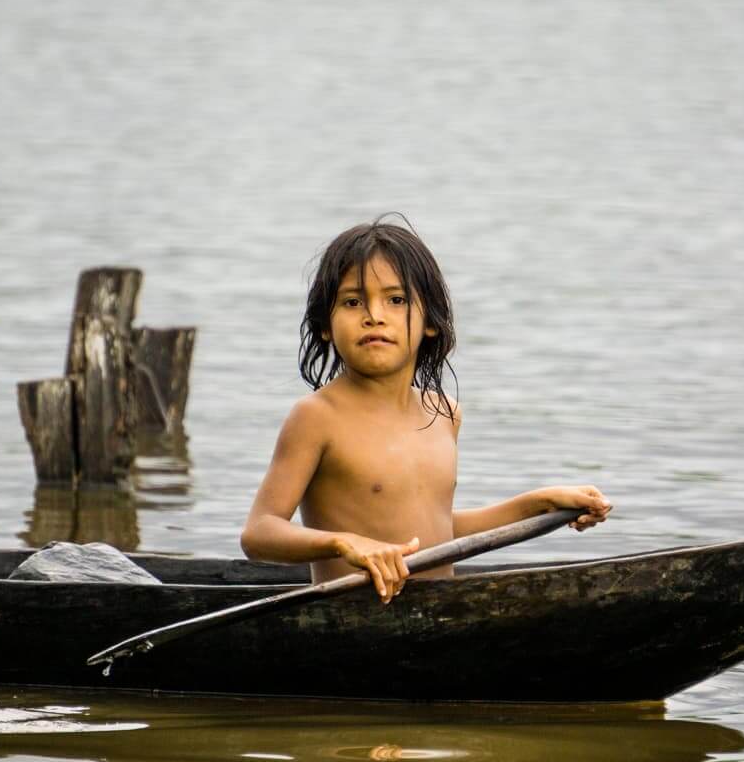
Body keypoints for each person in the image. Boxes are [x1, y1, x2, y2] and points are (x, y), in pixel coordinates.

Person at [240, 216, 612, 603]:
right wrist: (346, 543)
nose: (374, 315)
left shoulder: (444, 414)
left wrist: (541, 503)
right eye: (352, 302)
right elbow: (259, 532)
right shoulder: (317, 417)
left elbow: (434, 533)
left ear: (430, 322)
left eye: (396, 300)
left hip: (435, 614)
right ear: (325, 327)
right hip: (357, 619)